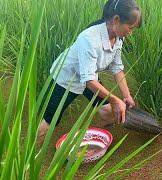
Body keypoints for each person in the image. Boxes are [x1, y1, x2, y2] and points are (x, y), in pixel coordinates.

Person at [37, 0, 142, 145]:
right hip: (67, 78)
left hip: (89, 76)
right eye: (130, 27)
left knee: (109, 110)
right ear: (116, 19)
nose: (131, 32)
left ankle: (101, 137)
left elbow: (117, 68)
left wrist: (126, 96)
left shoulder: (118, 38)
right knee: (50, 120)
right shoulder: (89, 39)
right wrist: (115, 99)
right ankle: (29, 153)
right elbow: (89, 82)